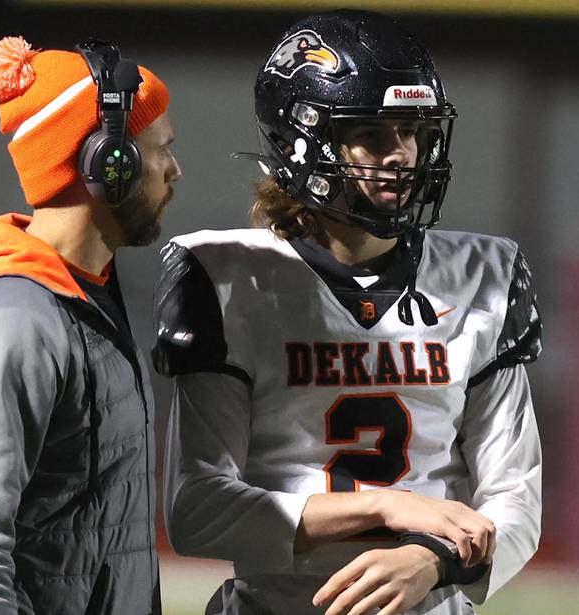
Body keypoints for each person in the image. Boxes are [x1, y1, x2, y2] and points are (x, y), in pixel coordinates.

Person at [154, 10, 540, 615]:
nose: (402, 155)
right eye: (375, 133)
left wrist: (436, 560)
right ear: (302, 140)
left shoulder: (481, 274)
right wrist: (385, 504)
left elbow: (516, 497)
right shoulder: (231, 275)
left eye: (412, 130)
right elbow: (198, 511)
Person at [0, 36, 181, 614]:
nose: (174, 170)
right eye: (160, 150)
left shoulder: (77, 295)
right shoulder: (10, 321)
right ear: (107, 163)